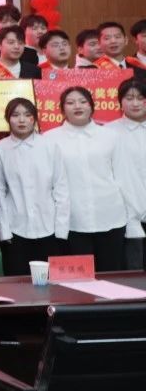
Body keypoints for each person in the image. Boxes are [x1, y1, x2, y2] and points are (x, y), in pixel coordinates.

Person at [49, 86, 133, 271]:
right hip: (72, 221)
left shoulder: (110, 136)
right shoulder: (49, 139)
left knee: (111, 275)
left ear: (92, 106)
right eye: (70, 103)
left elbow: (123, 177)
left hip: (111, 216)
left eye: (83, 101)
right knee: (78, 279)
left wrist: (131, 216)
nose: (77, 106)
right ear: (62, 109)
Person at [0, 98, 69, 276]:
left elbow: (61, 188)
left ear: (34, 118)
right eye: (15, 115)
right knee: (17, 283)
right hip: (15, 229)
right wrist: (4, 231)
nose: (21, 120)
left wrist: (61, 229)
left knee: (49, 283)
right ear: (8, 119)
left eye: (27, 115)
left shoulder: (50, 146)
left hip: (49, 228)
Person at [109, 79, 146, 269]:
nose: (135, 103)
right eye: (129, 98)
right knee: (134, 271)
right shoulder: (109, 132)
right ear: (120, 102)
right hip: (125, 213)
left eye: (141, 98)